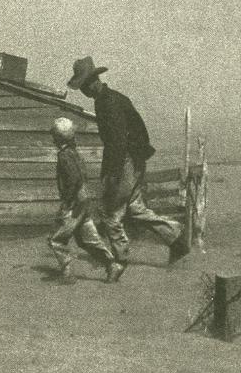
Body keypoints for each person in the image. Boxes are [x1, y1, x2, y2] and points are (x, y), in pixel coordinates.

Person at [67, 56, 190, 282]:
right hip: (133, 159)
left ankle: (119, 261)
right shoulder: (110, 99)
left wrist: (113, 175)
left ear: (93, 81)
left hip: (125, 161)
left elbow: (117, 142)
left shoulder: (108, 103)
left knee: (109, 212)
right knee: (135, 209)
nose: (83, 91)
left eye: (84, 85)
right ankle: (176, 237)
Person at [46, 117, 116, 283]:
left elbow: (74, 179)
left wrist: (68, 201)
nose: (53, 139)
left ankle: (67, 273)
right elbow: (82, 176)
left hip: (75, 202)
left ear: (58, 137)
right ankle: (111, 264)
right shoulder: (75, 153)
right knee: (88, 238)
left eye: (54, 135)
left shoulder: (64, 155)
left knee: (56, 239)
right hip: (84, 200)